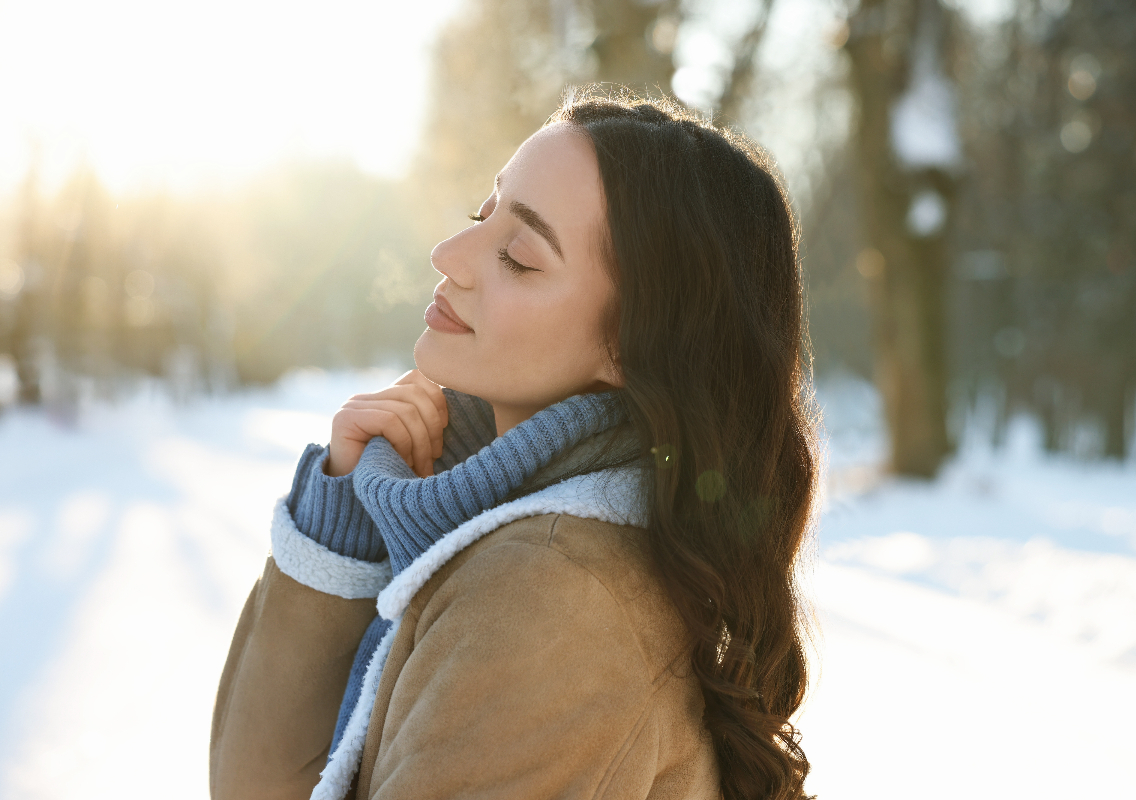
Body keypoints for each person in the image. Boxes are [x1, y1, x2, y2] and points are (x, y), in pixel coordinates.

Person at [209, 88, 820, 800]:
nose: (449, 254)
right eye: (481, 214)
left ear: (633, 345)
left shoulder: (547, 599)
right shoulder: (507, 536)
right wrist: (340, 535)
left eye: (520, 258)